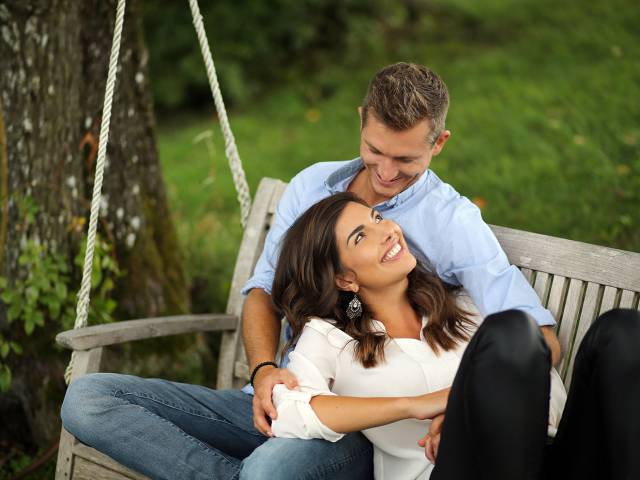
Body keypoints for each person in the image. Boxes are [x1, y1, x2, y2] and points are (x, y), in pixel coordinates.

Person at [61, 62, 564, 479]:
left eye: (406, 160)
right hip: (291, 393)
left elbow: (532, 337)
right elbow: (263, 290)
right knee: (88, 400)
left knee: (269, 471)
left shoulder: (452, 223)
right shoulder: (312, 186)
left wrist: (458, 403)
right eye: (375, 151)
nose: (385, 175)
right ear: (361, 119)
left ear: (439, 143)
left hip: (365, 425)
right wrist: (262, 373)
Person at [268, 191, 640, 480]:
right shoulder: (328, 338)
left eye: (377, 216)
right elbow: (288, 410)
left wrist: (476, 411)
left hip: (539, 461)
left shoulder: (463, 306)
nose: (388, 231)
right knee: (511, 331)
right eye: (362, 236)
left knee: (621, 333)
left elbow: (544, 377)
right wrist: (418, 404)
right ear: (345, 279)